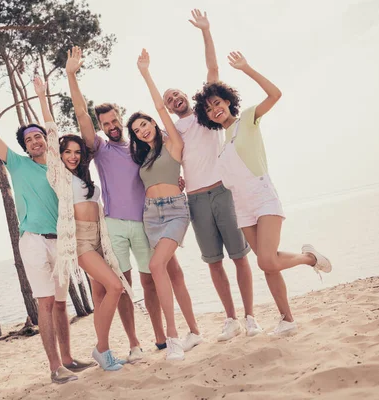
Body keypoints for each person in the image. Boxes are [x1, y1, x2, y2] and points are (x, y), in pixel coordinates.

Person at [0, 77, 96, 383]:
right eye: (28, 139)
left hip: (61, 243)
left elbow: (53, 127)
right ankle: (55, 367)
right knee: (45, 303)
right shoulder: (17, 164)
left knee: (60, 304)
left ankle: (68, 360)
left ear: (46, 139)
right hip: (33, 242)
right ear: (24, 146)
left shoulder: (59, 165)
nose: (34, 140)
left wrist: (42, 95)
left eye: (38, 136)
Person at [65, 47, 201, 358]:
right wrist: (72, 76)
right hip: (113, 224)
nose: (111, 126)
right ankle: (134, 345)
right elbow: (81, 115)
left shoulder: (139, 148)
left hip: (145, 220)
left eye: (115, 120)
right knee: (124, 285)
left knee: (151, 280)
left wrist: (177, 182)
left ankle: (161, 338)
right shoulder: (99, 148)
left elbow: (163, 167)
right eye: (106, 123)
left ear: (121, 119)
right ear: (101, 127)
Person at [192, 51, 332, 335]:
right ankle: (287, 319)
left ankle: (310, 258)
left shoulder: (247, 119)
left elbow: (275, 94)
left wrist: (246, 68)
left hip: (263, 196)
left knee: (266, 260)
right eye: (209, 109)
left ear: (227, 101)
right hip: (241, 207)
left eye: (217, 103)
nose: (215, 110)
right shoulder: (222, 141)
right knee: (269, 267)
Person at [163, 9, 262, 340]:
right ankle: (230, 318)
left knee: (239, 257)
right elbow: (166, 161)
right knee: (213, 262)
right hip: (195, 200)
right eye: (168, 99)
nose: (174, 99)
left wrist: (206, 30)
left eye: (176, 94)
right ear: (166, 107)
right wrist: (174, 181)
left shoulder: (207, 114)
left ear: (184, 96)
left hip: (223, 192)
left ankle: (250, 316)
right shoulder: (172, 130)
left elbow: (213, 69)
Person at [33, 76, 132, 371]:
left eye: (77, 152)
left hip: (99, 238)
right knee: (116, 287)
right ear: (60, 156)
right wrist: (42, 97)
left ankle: (104, 350)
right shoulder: (59, 176)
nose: (73, 156)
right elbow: (51, 136)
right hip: (79, 241)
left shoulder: (85, 177)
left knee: (103, 293)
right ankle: (101, 350)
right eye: (68, 152)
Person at [128, 49, 203, 361]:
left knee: (156, 266)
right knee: (174, 273)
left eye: (144, 124)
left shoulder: (172, 142)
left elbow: (160, 106)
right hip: (150, 217)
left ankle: (172, 337)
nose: (143, 130)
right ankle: (195, 331)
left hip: (174, 211)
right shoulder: (143, 157)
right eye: (137, 131)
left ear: (152, 123)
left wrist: (146, 73)